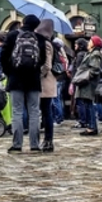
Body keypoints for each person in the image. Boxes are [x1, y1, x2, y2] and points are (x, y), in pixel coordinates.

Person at [0, 14, 46, 152]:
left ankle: (17, 144)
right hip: (33, 79)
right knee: (34, 112)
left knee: (17, 112)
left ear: (23, 22)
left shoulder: (12, 35)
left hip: (15, 78)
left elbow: (3, 56)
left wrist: (10, 72)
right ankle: (34, 145)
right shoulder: (39, 38)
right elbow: (42, 59)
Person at [74, 35, 102, 136]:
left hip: (88, 82)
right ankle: (90, 126)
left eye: (90, 41)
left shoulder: (95, 54)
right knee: (87, 104)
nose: (88, 42)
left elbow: (95, 69)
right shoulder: (91, 53)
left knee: (89, 104)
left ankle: (92, 127)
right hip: (86, 82)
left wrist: (85, 76)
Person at [36, 19, 57, 152]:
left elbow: (47, 65)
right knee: (43, 112)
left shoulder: (46, 44)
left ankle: (48, 141)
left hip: (45, 81)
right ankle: (44, 140)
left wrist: (38, 74)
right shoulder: (47, 42)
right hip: (46, 81)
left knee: (46, 112)